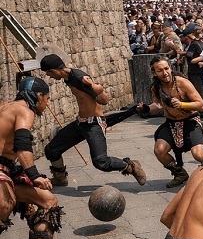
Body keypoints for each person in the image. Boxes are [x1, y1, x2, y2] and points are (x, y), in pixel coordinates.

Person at [40, 54, 146, 187]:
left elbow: (104, 99)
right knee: (52, 150)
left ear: (54, 71)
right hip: (81, 123)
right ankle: (60, 178)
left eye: (49, 74)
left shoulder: (79, 77)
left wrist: (92, 86)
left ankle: (130, 166)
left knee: (101, 162)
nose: (50, 77)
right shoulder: (68, 76)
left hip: (94, 124)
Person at [0, 77, 71, 239]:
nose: (47, 104)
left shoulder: (5, 105)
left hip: (7, 167)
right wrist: (34, 176)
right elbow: (22, 144)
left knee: (48, 201)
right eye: (47, 99)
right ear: (39, 96)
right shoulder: (24, 110)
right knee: (5, 204)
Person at [137, 56, 203, 188]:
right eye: (160, 70)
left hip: (190, 121)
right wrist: (146, 108)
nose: (165, 73)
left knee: (198, 155)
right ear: (154, 73)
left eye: (166, 68)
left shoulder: (183, 83)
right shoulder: (156, 87)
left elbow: (201, 105)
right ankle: (179, 173)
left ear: (171, 68)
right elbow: (158, 105)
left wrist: (182, 104)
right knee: (159, 150)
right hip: (171, 123)